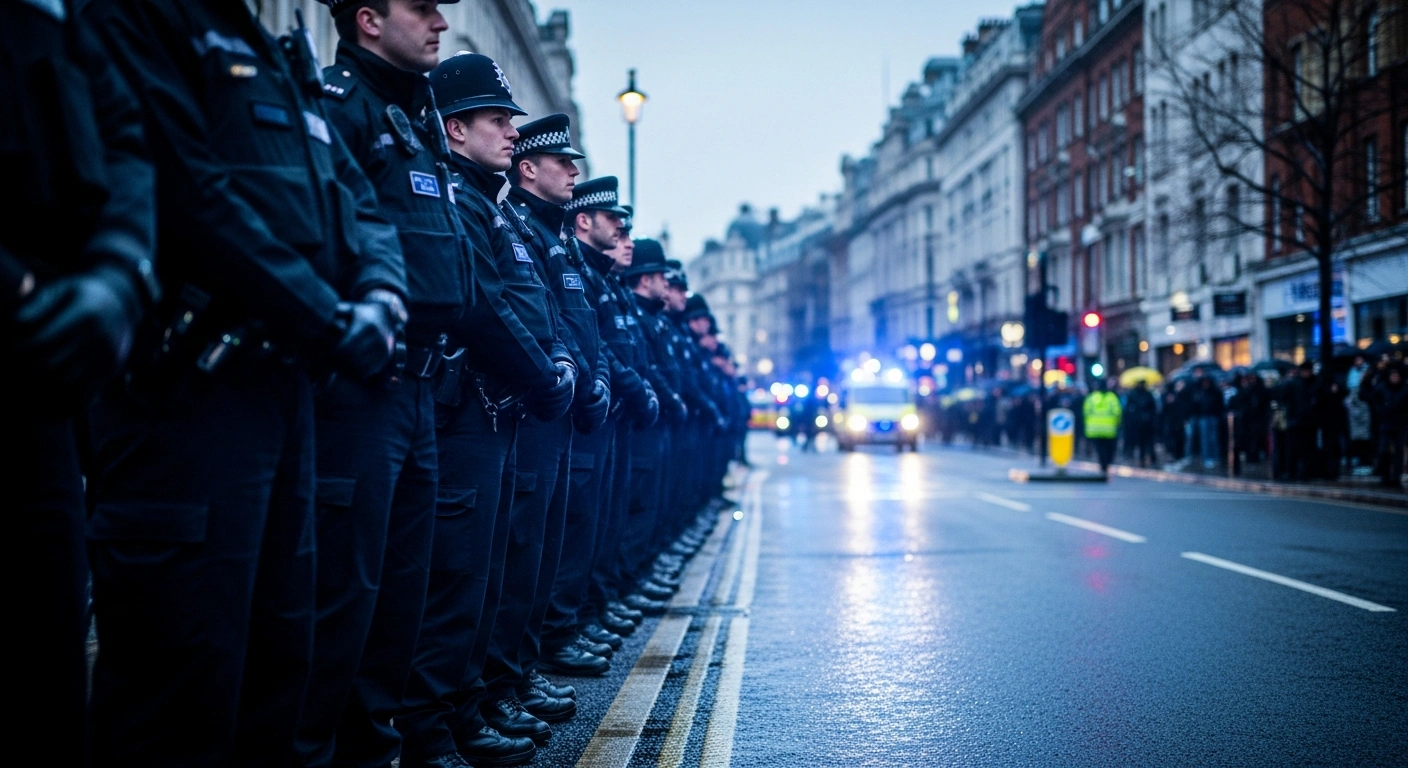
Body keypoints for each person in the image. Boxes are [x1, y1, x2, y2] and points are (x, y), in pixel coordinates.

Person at [86, 0, 407, 763]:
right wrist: (328, 315)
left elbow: (359, 203)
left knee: (281, 669)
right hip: (190, 396)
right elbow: (190, 191)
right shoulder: (146, 19)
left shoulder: (271, 49)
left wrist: (383, 295)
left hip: (286, 391)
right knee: (182, 689)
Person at [301, 1, 470, 764]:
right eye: (421, 8)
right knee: (347, 596)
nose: (439, 21)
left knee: (402, 596)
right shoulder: (345, 108)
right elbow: (334, 232)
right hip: (362, 387)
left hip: (420, 390)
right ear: (368, 19)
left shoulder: (417, 120)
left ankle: (374, 750)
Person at [398, 51, 575, 768]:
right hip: (468, 407)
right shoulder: (458, 199)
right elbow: (484, 305)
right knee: (460, 576)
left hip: (505, 409)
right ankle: (435, 727)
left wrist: (557, 367)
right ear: (454, 128)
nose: (510, 133)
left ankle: (476, 702)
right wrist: (544, 373)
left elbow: (536, 309)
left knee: (497, 570)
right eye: (497, 121)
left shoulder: (486, 205)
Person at [4, 5, 156, 761]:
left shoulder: (63, 15)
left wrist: (120, 272)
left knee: (48, 668)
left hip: (47, 380)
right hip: (33, 317)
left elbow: (122, 137)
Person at [1082, 378, 1122, 474]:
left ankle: (1103, 465)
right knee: (1109, 448)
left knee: (1100, 449)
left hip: (1094, 429)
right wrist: (1118, 423)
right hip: (1109, 429)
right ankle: (1106, 464)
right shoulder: (1112, 398)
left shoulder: (1091, 398)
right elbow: (1118, 412)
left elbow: (1085, 412)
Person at [1192, 374, 1226, 469]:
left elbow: (1219, 405)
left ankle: (1215, 457)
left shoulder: (1214, 392)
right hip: (1204, 417)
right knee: (1205, 439)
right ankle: (1207, 458)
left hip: (1213, 416)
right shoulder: (1200, 393)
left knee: (1214, 438)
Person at [1124, 380, 1158, 467]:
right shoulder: (1133, 395)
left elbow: (1153, 408)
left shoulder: (1147, 395)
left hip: (1147, 423)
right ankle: (1142, 459)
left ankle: (1151, 458)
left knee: (1149, 442)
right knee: (1142, 443)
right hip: (1138, 423)